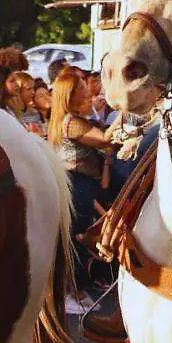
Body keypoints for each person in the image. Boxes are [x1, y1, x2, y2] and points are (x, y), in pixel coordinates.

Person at [47, 69, 113, 314]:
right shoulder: (70, 122)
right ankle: (68, 293)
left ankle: (76, 290)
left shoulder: (73, 119)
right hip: (75, 184)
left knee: (76, 238)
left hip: (82, 184)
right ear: (70, 97)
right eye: (84, 94)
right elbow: (106, 139)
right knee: (72, 241)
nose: (90, 96)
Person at [3, 71, 45, 136]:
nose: (33, 92)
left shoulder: (35, 112)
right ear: (18, 90)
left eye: (33, 88)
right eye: (29, 89)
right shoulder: (10, 114)